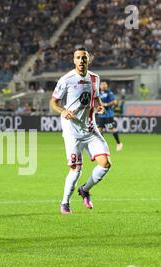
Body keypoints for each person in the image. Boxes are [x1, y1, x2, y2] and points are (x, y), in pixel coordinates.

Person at [49, 47, 111, 215]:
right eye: (78, 58)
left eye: (84, 58)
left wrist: (99, 106)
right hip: (72, 131)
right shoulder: (66, 79)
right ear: (74, 60)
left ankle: (85, 189)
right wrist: (63, 111)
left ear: (88, 60)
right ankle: (65, 202)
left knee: (105, 164)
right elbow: (53, 102)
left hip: (90, 128)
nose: (81, 60)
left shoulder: (95, 78)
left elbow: (95, 97)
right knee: (76, 170)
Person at [95, 81, 123, 151]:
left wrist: (106, 104)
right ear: (100, 85)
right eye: (102, 84)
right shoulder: (98, 93)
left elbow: (114, 101)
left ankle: (119, 143)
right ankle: (102, 146)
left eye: (105, 84)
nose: (103, 86)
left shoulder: (109, 93)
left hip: (108, 115)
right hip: (100, 114)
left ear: (107, 85)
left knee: (111, 129)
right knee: (99, 130)